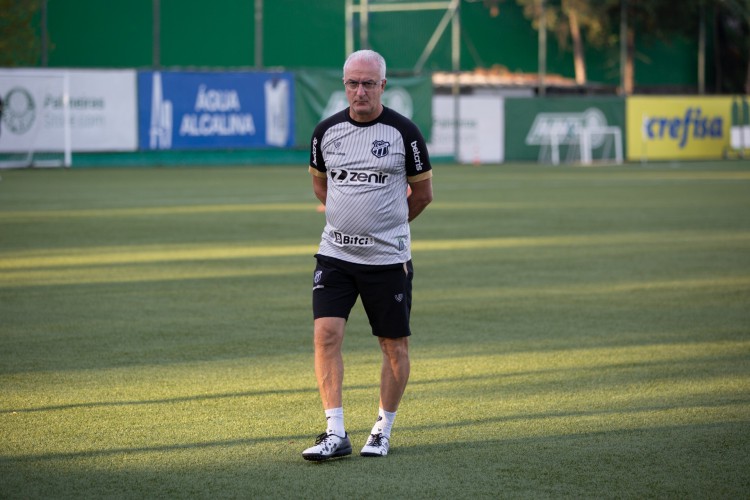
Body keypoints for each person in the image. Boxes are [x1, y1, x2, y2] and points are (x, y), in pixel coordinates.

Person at [302, 49, 433, 461]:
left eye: (368, 84)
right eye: (353, 83)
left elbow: (423, 194)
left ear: (383, 86)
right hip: (335, 256)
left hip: (387, 261)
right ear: (344, 85)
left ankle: (382, 429)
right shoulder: (325, 133)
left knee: (393, 346)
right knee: (326, 334)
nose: (360, 91)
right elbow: (322, 187)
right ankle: (334, 432)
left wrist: (386, 229)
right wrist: (350, 222)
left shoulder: (405, 133)